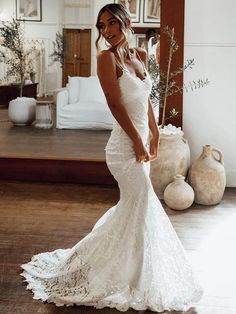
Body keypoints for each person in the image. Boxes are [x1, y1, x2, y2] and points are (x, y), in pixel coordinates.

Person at [21, 3, 203, 312]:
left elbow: (145, 99)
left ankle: (134, 269)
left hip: (143, 140)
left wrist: (155, 133)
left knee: (134, 209)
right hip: (123, 149)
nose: (107, 31)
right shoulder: (106, 59)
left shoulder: (140, 56)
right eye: (102, 26)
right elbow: (115, 106)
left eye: (111, 23)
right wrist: (138, 142)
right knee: (143, 204)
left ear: (126, 22)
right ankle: (132, 274)